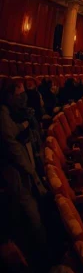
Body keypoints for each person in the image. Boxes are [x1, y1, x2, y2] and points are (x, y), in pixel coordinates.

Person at [1, 84, 48, 262]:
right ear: (9, 96)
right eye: (18, 93)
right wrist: (24, 124)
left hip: (27, 166)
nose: (23, 97)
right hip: (17, 172)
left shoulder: (17, 111)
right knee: (29, 212)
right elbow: (11, 140)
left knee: (31, 210)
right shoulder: (4, 114)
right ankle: (39, 256)